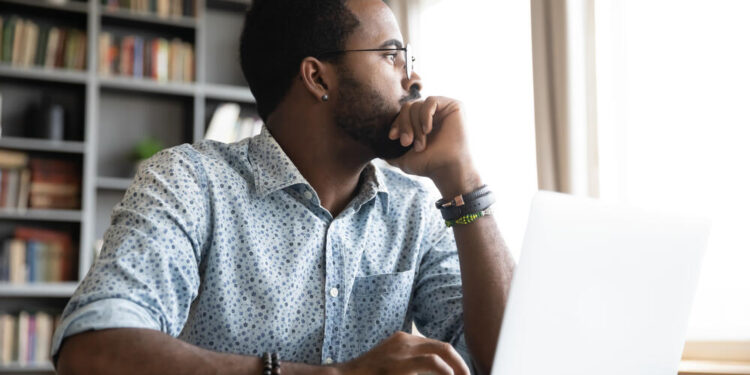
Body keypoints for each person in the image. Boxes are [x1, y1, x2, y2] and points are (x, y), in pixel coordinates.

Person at [54, 0, 515, 374]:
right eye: (390, 55)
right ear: (317, 77)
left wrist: (464, 182)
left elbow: (507, 360)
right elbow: (93, 348)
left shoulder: (416, 210)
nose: (413, 78)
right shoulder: (191, 183)